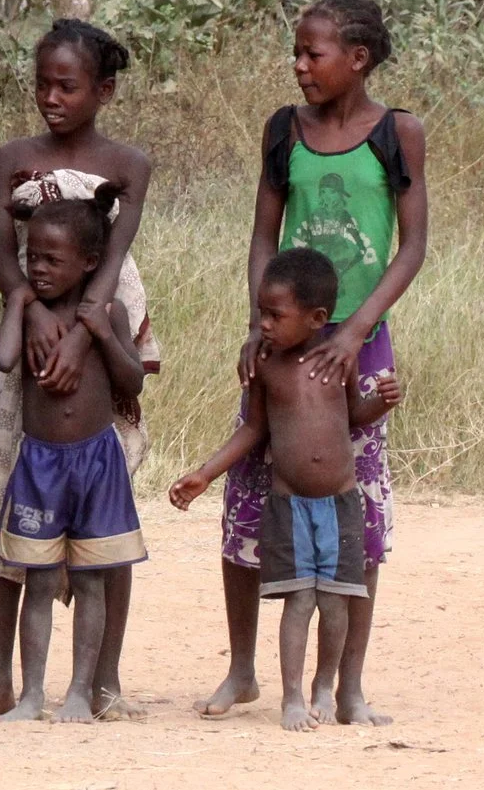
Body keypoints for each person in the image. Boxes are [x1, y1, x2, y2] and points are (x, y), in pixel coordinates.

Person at [200, 0, 426, 727]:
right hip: (284, 344)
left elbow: (412, 245)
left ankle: (349, 684)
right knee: (250, 497)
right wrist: (258, 327)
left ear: (357, 59)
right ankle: (243, 669)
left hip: (358, 343)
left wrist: (357, 330)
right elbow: (262, 238)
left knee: (357, 509)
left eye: (313, 53)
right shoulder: (282, 132)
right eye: (296, 52)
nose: (299, 66)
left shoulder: (398, 133)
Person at [0, 19, 158, 722]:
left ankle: (102, 680)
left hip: (101, 326)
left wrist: (82, 333)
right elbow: (2, 256)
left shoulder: (128, 162)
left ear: (102, 89)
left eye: (67, 85)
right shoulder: (12, 155)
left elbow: (112, 254)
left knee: (110, 522)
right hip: (35, 317)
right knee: (7, 496)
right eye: (42, 83)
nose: (51, 96)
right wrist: (38, 315)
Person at [171, 248, 405, 732]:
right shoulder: (267, 367)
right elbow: (252, 431)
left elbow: (352, 420)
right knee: (299, 602)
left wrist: (379, 403)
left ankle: (329, 688)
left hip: (342, 503)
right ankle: (293, 699)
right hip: (290, 505)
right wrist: (205, 474)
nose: (265, 324)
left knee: (338, 599)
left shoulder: (342, 361)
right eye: (262, 313)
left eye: (275, 315)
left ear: (317, 318)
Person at [0, 194, 146, 724]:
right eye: (33, 257)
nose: (39, 268)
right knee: (37, 578)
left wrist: (102, 334)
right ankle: (32, 694)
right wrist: (18, 302)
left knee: (94, 579)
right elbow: (4, 358)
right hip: (40, 463)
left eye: (53, 260)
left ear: (90, 263)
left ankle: (80, 690)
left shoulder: (108, 314)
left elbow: (132, 382)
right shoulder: (30, 311)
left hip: (98, 462)